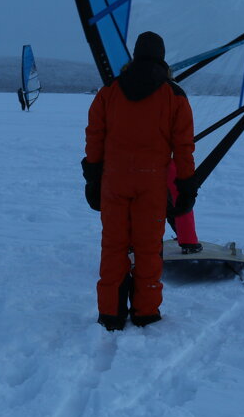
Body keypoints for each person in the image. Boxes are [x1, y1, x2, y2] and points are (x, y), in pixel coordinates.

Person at [82, 31, 196, 331]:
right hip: (151, 183)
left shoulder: (109, 91)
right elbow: (183, 147)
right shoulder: (174, 95)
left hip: (114, 181)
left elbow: (95, 137)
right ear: (161, 56)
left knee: (114, 247)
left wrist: (92, 177)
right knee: (148, 249)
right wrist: (186, 186)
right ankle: (145, 312)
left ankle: (111, 314)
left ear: (135, 55)